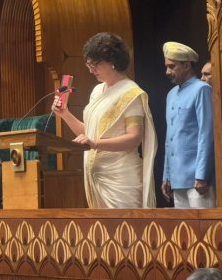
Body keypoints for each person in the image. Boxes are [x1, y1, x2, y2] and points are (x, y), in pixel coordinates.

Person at [52, 32, 157, 209]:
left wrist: (94, 143)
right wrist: (64, 114)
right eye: (89, 65)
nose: (91, 70)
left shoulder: (131, 93)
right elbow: (90, 133)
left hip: (120, 178)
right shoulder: (97, 91)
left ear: (112, 61)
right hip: (96, 177)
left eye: (95, 64)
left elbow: (134, 138)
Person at [162, 42, 215, 208]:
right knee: (185, 231)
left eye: (172, 66)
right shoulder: (171, 95)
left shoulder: (202, 89)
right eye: (167, 66)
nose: (168, 72)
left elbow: (206, 134)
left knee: (206, 231)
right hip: (177, 179)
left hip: (197, 179)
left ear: (186, 65)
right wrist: (167, 176)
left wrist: (201, 175)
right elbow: (169, 140)